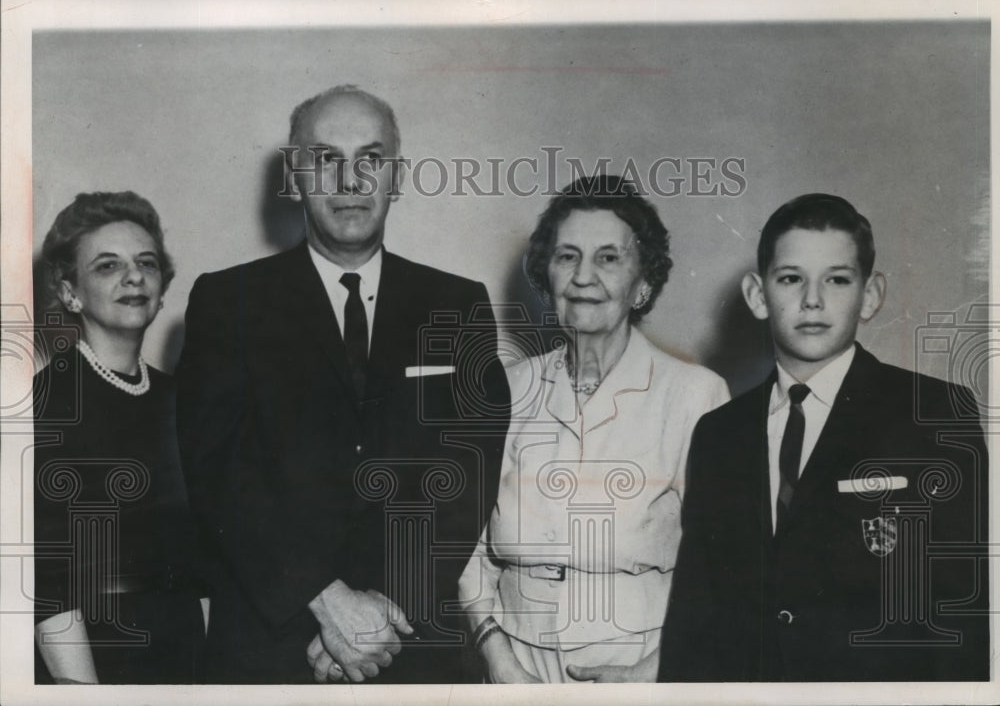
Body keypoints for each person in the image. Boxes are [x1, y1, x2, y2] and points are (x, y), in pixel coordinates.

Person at [175, 85, 510, 684]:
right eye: (327, 159)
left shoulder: (457, 305)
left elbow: (470, 476)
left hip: (406, 648)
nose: (350, 181)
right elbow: (215, 473)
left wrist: (379, 616)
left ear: (397, 176)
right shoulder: (228, 301)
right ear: (295, 176)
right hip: (266, 648)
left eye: (370, 160)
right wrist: (326, 601)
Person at [658, 193, 989, 681]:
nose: (812, 300)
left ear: (872, 295)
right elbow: (695, 613)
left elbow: (961, 614)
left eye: (837, 279)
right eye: (791, 278)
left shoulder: (934, 416)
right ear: (757, 294)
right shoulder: (719, 434)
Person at [457, 175, 729, 683]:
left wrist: (652, 673)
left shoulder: (696, 395)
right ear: (546, 278)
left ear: (643, 283)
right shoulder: (506, 389)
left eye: (608, 258)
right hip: (515, 668)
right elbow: (465, 546)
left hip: (637, 667)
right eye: (567, 256)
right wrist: (496, 655)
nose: (584, 277)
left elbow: (725, 566)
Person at [33, 191, 207, 684]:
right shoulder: (45, 405)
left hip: (184, 647)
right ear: (70, 293)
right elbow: (46, 581)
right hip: (93, 654)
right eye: (108, 266)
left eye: (146, 263)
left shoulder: (184, 399)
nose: (134, 276)